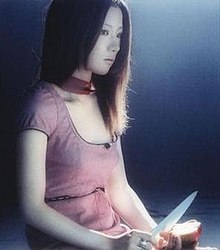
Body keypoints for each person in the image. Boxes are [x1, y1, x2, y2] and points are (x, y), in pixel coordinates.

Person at [16, 0, 201, 249]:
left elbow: (120, 190)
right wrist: (110, 244)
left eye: (119, 35)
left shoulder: (104, 101)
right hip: (66, 242)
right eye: (104, 32)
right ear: (74, 29)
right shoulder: (41, 105)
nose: (115, 46)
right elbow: (32, 208)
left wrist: (157, 237)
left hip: (112, 233)